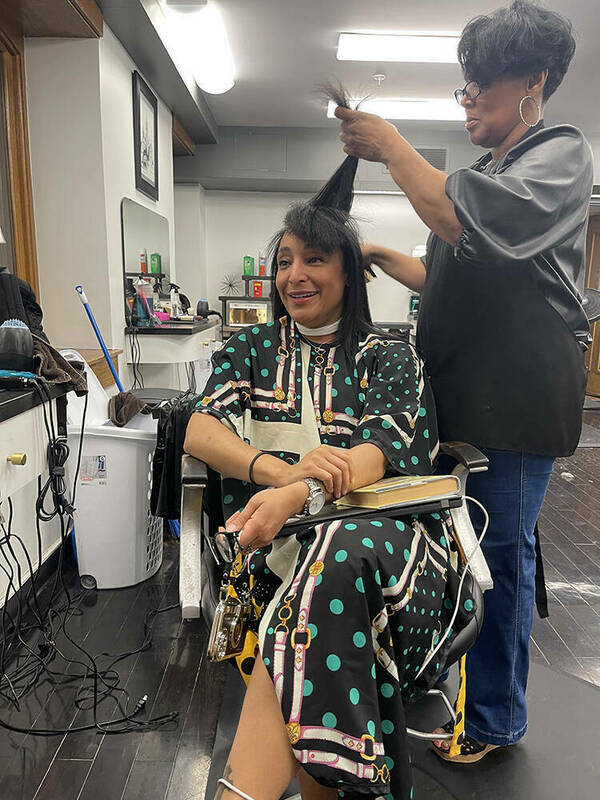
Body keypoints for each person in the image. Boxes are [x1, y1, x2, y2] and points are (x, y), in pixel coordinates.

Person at [334, 0, 593, 763]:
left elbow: (478, 225)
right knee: (467, 551)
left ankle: (494, 722)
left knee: (501, 562)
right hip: (465, 402)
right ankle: (460, 684)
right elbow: (454, 269)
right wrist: (385, 258)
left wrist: (389, 145)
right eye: (464, 87)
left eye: (481, 85)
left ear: (533, 85)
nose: (469, 100)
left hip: (512, 408)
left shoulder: (561, 154)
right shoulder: (489, 170)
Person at [184, 199, 476, 799]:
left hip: (388, 551)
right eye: (284, 261)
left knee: (331, 569)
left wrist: (299, 493)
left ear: (348, 271)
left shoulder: (389, 355)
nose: (295, 275)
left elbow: (380, 453)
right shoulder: (252, 350)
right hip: (279, 559)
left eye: (314, 259)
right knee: (312, 601)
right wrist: (274, 470)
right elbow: (199, 429)